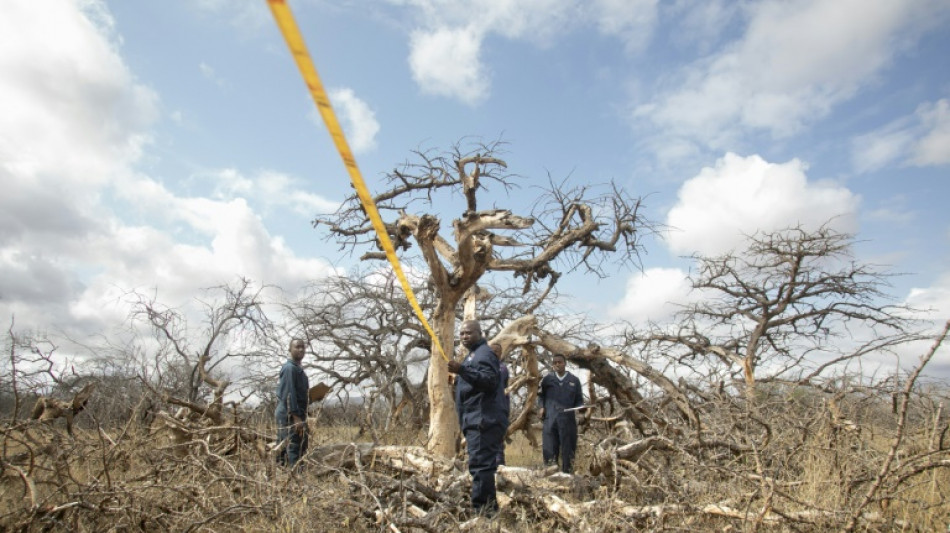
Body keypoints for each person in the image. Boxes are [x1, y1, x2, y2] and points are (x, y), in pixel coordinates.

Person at [448, 321, 507, 515]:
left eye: (469, 333)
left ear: (480, 333)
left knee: (481, 466)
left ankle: (484, 513)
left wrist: (462, 370)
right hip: (474, 420)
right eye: (462, 333)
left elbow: (489, 381)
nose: (464, 336)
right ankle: (487, 508)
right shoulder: (472, 354)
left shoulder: (485, 353)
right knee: (480, 466)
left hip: (484, 420)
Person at [539, 353, 584, 473]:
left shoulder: (574, 380)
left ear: (565, 363)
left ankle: (567, 478)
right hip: (550, 419)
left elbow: (579, 401)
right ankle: (551, 478)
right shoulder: (547, 379)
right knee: (549, 449)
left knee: (568, 451)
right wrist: (541, 407)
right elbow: (541, 397)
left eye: (560, 362)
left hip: (568, 420)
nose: (557, 364)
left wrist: (581, 412)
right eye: (555, 363)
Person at [275, 338, 310, 467]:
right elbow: (288, 394)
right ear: (290, 349)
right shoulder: (289, 368)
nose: (301, 349)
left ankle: (286, 476)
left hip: (298, 413)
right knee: (292, 447)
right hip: (289, 415)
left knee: (298, 446)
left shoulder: (298, 369)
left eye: (303, 347)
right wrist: (295, 417)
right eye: (297, 347)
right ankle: (294, 479)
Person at [490, 342, 510, 467]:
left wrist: (506, 410)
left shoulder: (502, 368)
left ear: (501, 353)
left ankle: (500, 468)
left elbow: (506, 391)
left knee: (498, 441)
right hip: (483, 410)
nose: (495, 352)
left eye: (497, 350)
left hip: (499, 409)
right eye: (492, 350)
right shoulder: (480, 366)